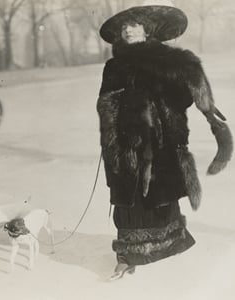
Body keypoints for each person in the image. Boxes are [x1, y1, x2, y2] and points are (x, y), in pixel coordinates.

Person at [97, 3, 233, 280]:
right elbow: (106, 104)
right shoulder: (114, 66)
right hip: (126, 143)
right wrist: (116, 137)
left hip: (163, 142)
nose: (128, 30)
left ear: (147, 30)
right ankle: (127, 256)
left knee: (162, 193)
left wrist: (204, 110)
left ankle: (169, 245)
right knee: (130, 198)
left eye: (134, 25)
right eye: (124, 27)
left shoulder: (170, 60)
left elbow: (184, 94)